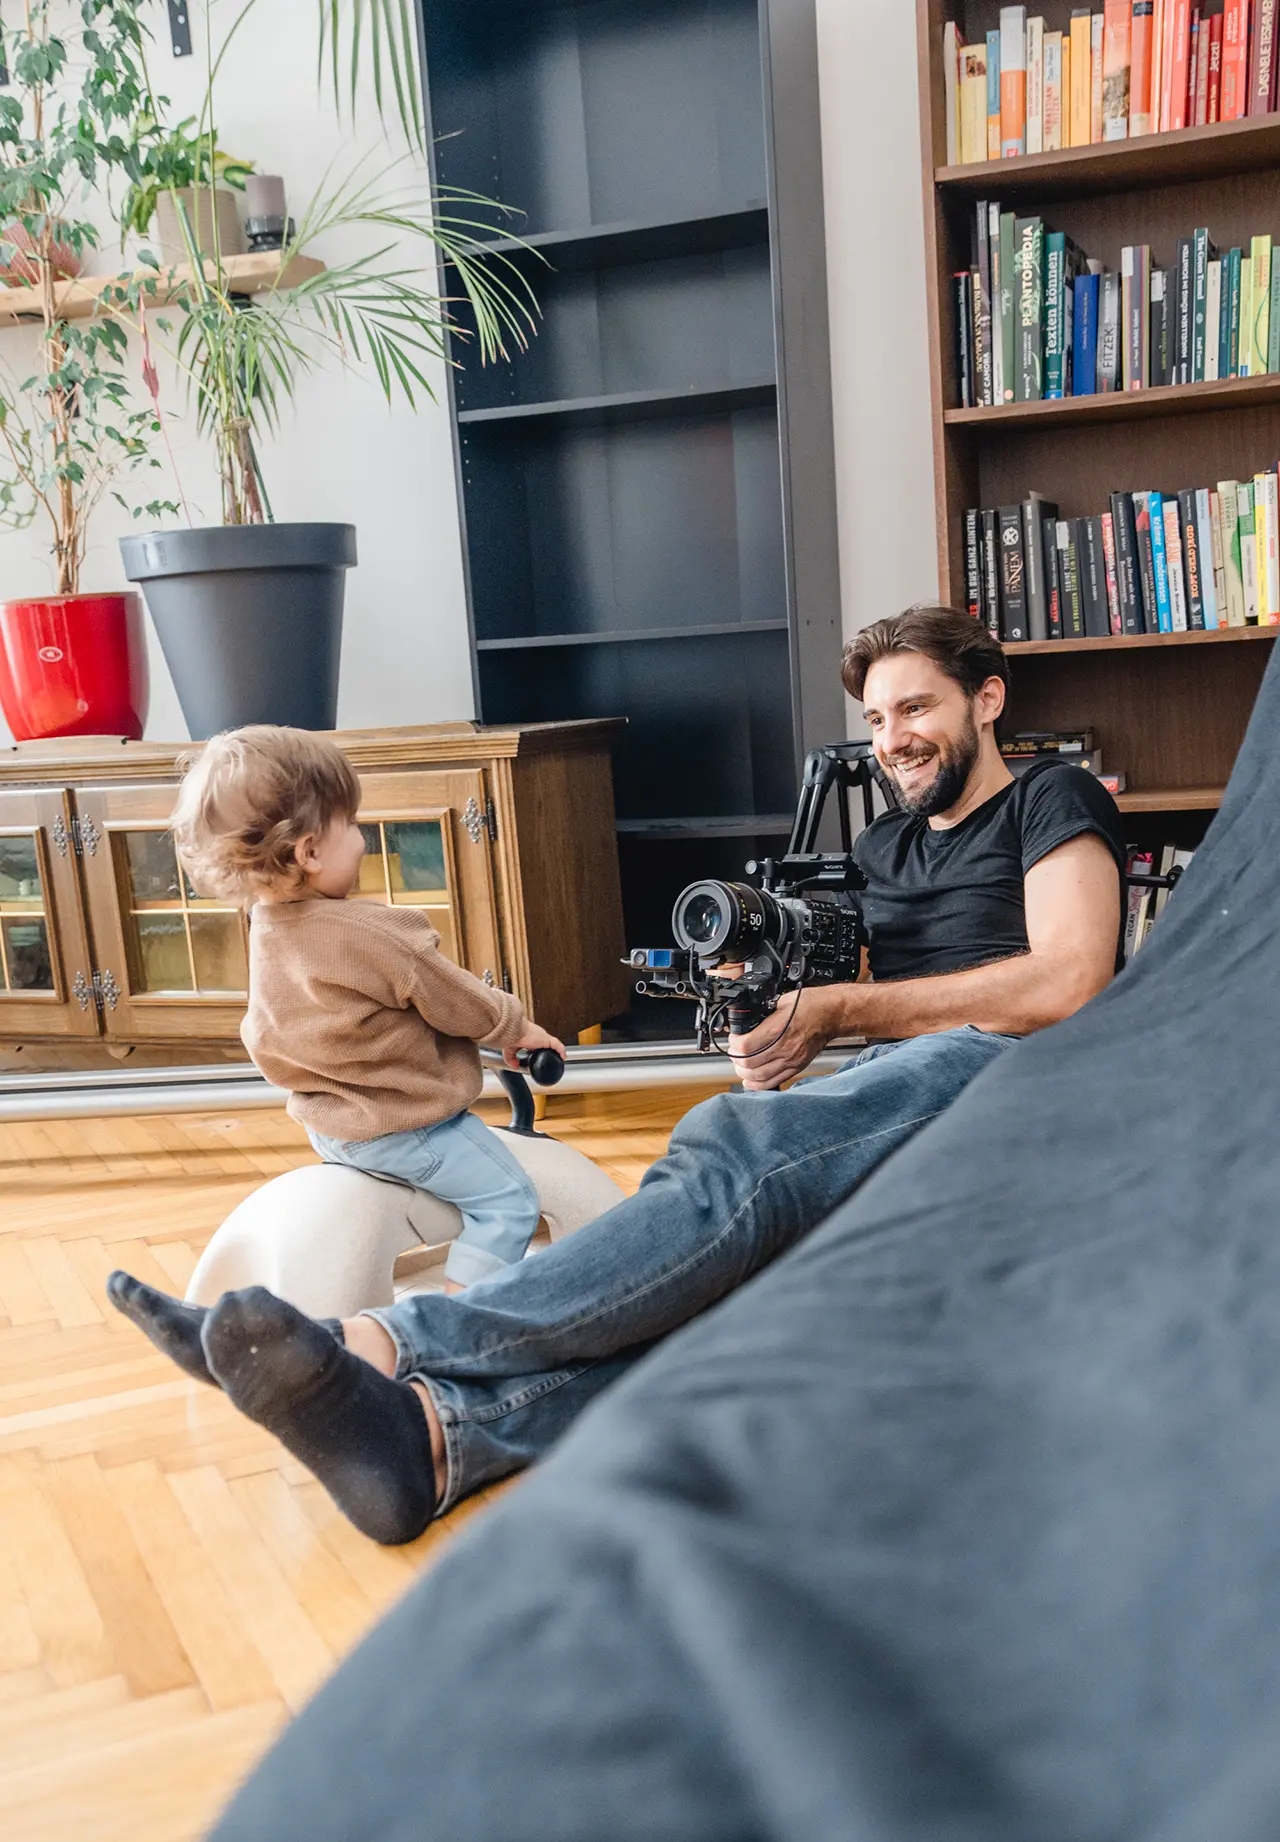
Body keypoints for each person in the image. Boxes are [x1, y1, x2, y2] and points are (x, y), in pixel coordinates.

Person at [108, 606, 1125, 1545]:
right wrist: (782, 1030)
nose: (890, 736)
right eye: (875, 715)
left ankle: (379, 1340)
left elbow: (1068, 980)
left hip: (1020, 1076)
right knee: (733, 1277)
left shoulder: (1049, 795)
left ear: (986, 699)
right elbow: (867, 992)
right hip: (909, 1084)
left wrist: (845, 1013)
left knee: (729, 1146)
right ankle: (427, 1441)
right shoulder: (884, 842)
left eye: (916, 707)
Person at [115, 726, 564, 1295]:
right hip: (409, 1126)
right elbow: (456, 999)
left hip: (333, 1131)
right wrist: (516, 1026)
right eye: (351, 824)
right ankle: (454, 1322)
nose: (362, 840)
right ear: (308, 851)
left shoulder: (267, 926)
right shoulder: (376, 932)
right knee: (509, 1202)